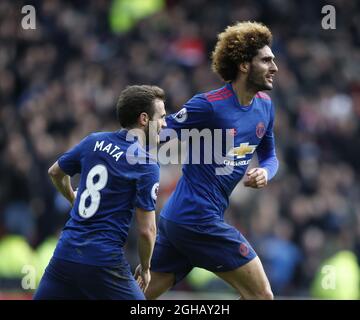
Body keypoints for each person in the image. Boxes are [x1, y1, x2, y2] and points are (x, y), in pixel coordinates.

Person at [140, 21, 279, 300]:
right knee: (262, 295)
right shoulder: (209, 105)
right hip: (196, 218)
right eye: (266, 60)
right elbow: (158, 136)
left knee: (137, 295)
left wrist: (265, 172)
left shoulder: (265, 106)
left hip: (180, 220)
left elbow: (270, 156)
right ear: (243, 65)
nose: (274, 67)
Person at [34, 85, 167, 300]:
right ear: (144, 119)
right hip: (104, 262)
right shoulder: (145, 163)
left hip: (65, 255)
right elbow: (147, 231)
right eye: (161, 117)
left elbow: (55, 172)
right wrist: (145, 267)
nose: (165, 124)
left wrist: (72, 198)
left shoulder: (93, 141)